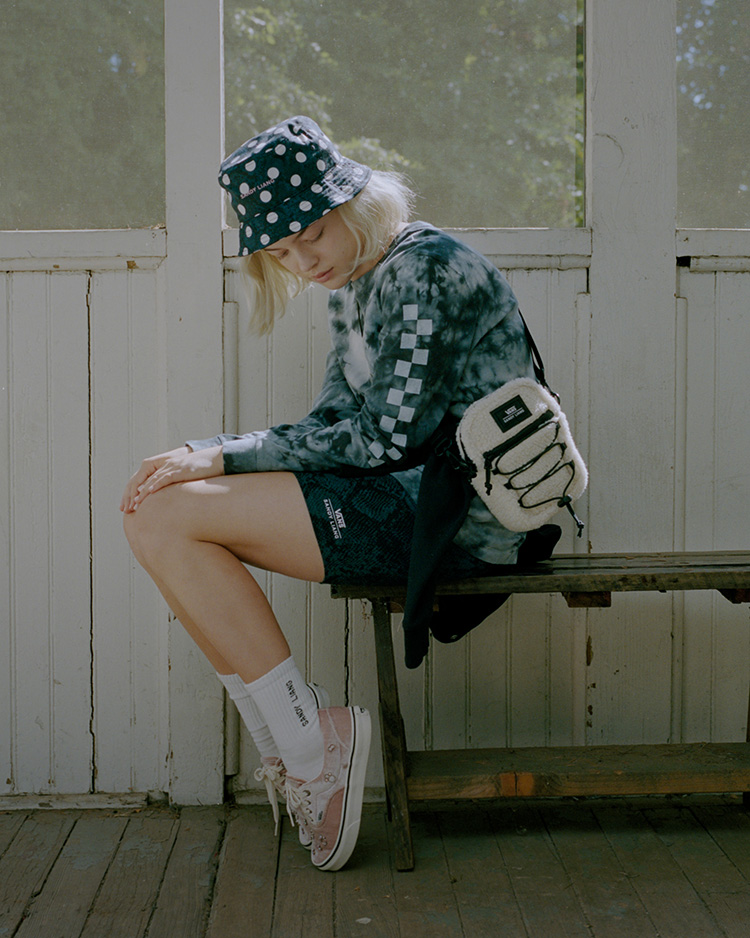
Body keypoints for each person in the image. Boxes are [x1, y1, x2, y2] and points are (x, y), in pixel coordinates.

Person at [121, 115, 541, 871]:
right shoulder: (355, 280)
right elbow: (332, 422)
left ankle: (314, 745)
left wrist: (223, 455)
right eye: (281, 252)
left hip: (460, 518)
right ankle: (293, 747)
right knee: (155, 511)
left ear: (355, 203)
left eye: (310, 235)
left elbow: (383, 440)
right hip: (408, 495)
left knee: (176, 514)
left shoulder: (423, 270)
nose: (302, 261)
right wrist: (208, 456)